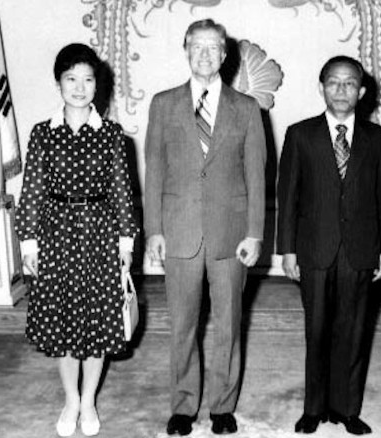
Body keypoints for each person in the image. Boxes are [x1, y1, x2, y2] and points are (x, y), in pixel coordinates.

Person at [143, 19, 266, 437]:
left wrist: (255, 233)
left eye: (214, 48)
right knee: (182, 324)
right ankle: (182, 406)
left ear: (225, 55)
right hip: (178, 232)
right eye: (198, 46)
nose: (205, 54)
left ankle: (222, 407)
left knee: (229, 325)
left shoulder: (247, 109)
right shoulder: (163, 104)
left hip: (230, 236)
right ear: (185, 49)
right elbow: (154, 171)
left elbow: (257, 175)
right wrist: (153, 230)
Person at [15, 43, 138, 437]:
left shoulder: (112, 135)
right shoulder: (42, 134)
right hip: (55, 236)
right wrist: (29, 243)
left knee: (99, 324)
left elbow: (122, 190)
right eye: (71, 79)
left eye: (87, 79)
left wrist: (126, 242)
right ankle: (70, 400)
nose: (80, 87)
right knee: (64, 323)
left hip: (100, 236)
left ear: (97, 85)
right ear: (59, 84)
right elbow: (31, 190)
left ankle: (89, 403)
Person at [277, 55, 381, 436]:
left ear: (362, 92)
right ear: (321, 87)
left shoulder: (379, 140)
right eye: (333, 82)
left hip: (360, 249)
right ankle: (313, 408)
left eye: (349, 83)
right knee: (317, 330)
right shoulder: (300, 135)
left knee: (354, 329)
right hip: (314, 249)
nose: (341, 90)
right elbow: (288, 197)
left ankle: (346, 408)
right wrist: (288, 250)